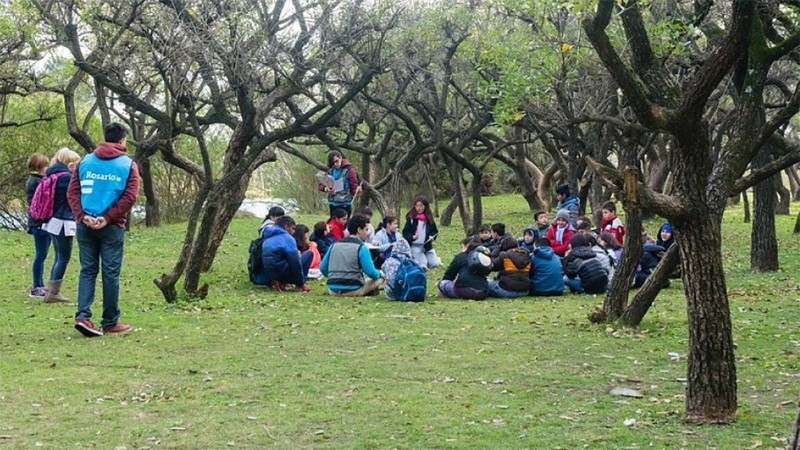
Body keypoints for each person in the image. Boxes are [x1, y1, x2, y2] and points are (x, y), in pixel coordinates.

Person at [67, 122, 139, 337]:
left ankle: (83, 316)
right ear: (122, 140)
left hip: (85, 225)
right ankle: (110, 321)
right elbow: (130, 197)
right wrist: (108, 218)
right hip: (112, 226)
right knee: (110, 273)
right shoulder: (128, 164)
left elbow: (73, 192)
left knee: (87, 270)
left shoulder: (85, 161)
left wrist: (82, 215)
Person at [42, 148, 82, 303]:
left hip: (53, 220)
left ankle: (51, 290)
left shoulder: (52, 174)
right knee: (64, 256)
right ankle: (54, 292)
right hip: (63, 220)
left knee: (59, 255)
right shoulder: (66, 178)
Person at [320, 214, 384, 296]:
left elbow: (322, 268)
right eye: (366, 229)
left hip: (332, 290)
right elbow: (371, 272)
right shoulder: (361, 247)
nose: (367, 233)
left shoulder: (334, 245)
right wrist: (381, 274)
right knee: (380, 277)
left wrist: (333, 277)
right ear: (359, 230)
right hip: (353, 289)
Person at [25, 153, 52, 298]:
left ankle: (40, 284)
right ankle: (36, 285)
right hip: (38, 222)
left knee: (43, 254)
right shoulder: (36, 182)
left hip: (43, 222)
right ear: (40, 167)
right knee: (40, 254)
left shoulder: (39, 180)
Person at [261, 216, 312, 292]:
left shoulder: (267, 238)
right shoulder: (287, 238)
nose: (294, 231)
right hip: (283, 274)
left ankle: (280, 282)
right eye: (293, 228)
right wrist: (301, 283)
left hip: (271, 275)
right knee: (309, 254)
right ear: (286, 226)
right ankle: (300, 284)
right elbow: (295, 263)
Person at [402, 197, 441, 269]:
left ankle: (433, 258)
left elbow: (434, 231)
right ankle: (415, 258)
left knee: (434, 264)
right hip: (415, 246)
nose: (418, 208)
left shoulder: (429, 218)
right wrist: (412, 237)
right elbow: (405, 232)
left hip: (426, 245)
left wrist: (432, 236)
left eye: (421, 206)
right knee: (423, 264)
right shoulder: (411, 219)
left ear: (425, 207)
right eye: (417, 206)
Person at [319, 150, 360, 218]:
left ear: (340, 158)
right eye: (333, 162)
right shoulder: (330, 171)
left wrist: (358, 191)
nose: (335, 164)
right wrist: (326, 189)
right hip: (333, 204)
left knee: (343, 226)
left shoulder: (350, 170)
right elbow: (321, 185)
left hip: (345, 204)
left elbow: (354, 188)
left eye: (336, 161)